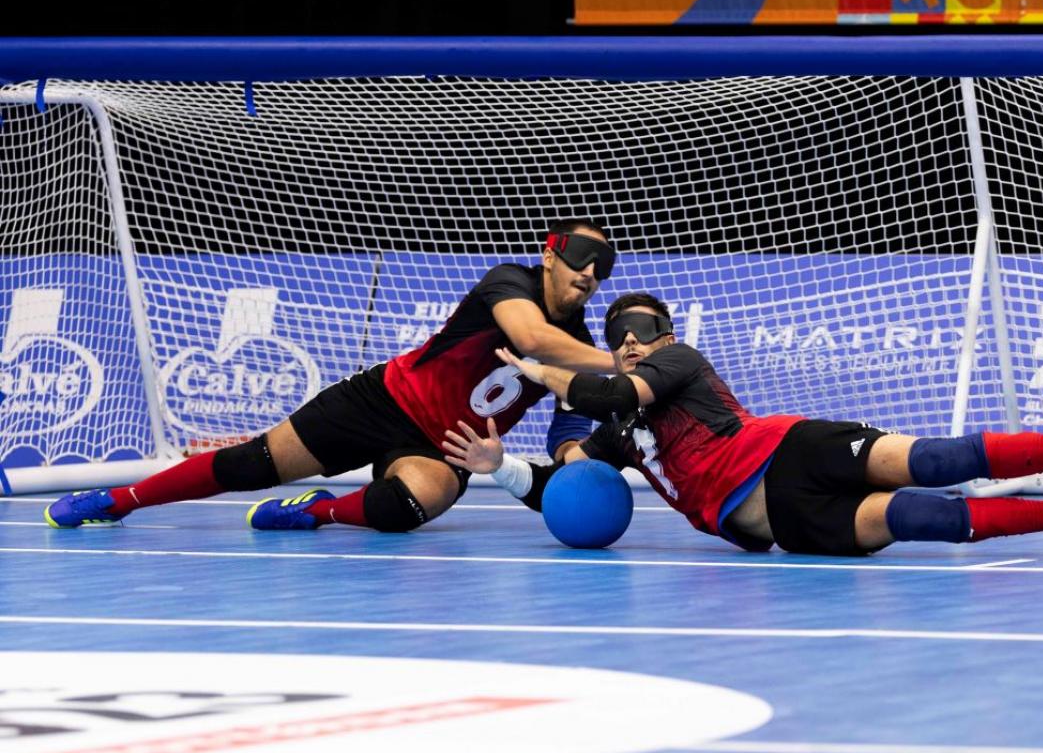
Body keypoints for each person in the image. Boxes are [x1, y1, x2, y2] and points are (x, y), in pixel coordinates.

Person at [442, 292, 1043, 555]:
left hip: (791, 450)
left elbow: (610, 387)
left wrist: (543, 370)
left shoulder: (677, 363)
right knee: (925, 520)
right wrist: (498, 468)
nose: (630, 338)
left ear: (661, 336)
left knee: (941, 459)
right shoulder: (618, 429)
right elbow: (563, 486)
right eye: (618, 331)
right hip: (779, 524)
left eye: (642, 328)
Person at [44, 219, 618, 533]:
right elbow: (532, 339)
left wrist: (573, 467)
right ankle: (120, 498)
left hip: (444, 446)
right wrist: (620, 364)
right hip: (383, 400)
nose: (591, 273)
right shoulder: (509, 282)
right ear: (549, 255)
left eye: (603, 268)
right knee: (251, 465)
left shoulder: (583, 350)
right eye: (581, 257)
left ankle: (317, 511)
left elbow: (566, 432)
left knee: (412, 507)